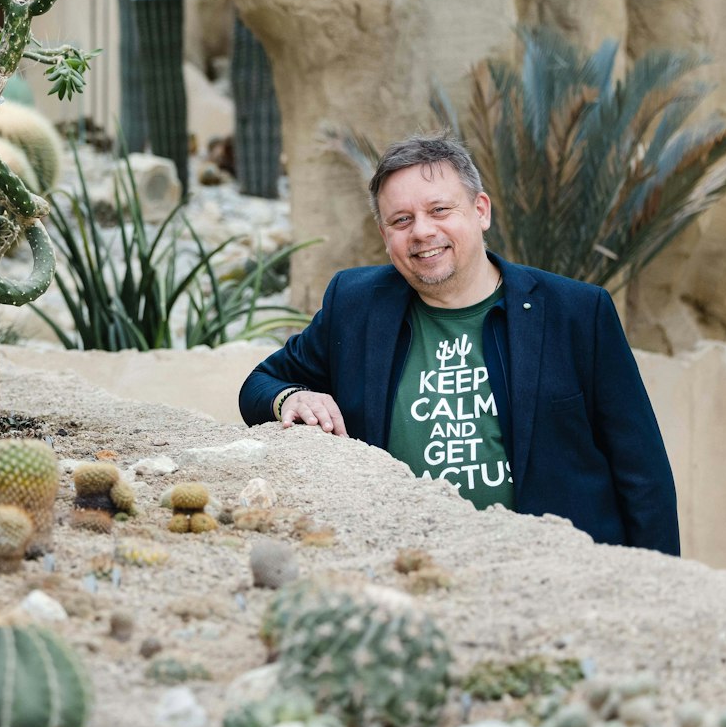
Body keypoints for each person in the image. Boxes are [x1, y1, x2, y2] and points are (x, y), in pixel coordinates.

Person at [238, 135, 679, 554]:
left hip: (555, 571)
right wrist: (291, 396)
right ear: (384, 233)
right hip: (412, 569)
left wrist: (660, 592)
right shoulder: (356, 306)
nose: (422, 232)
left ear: (480, 210)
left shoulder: (577, 312)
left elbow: (642, 473)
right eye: (401, 220)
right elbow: (260, 384)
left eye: (440, 209)